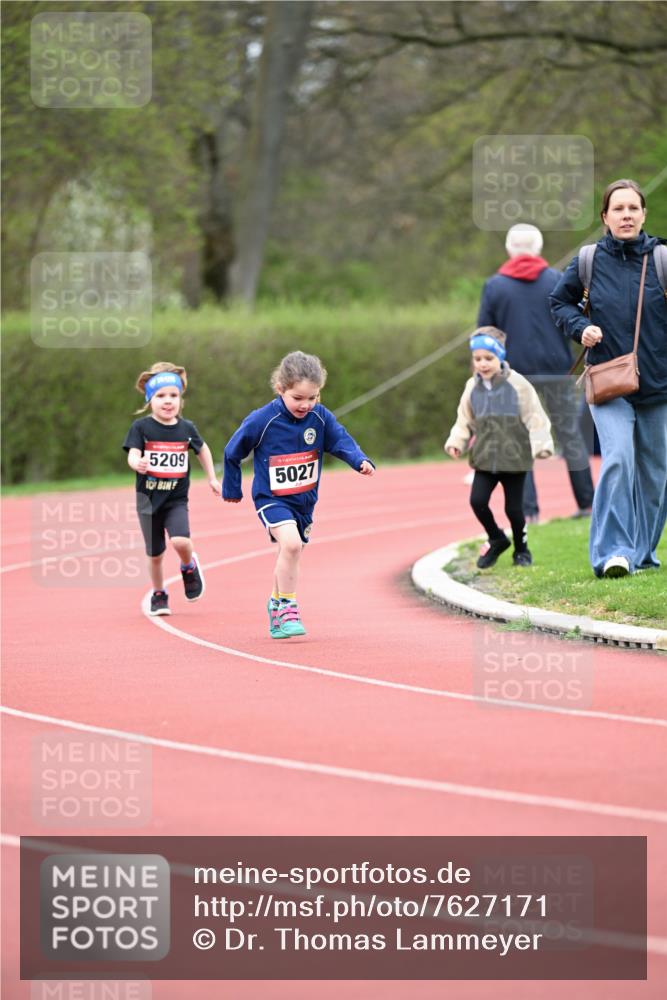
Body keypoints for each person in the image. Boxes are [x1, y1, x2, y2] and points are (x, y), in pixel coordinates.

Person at [550, 178, 667, 578]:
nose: (627, 215)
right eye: (618, 209)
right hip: (608, 384)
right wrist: (579, 328)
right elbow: (559, 302)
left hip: (658, 386)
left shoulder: (663, 258)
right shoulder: (588, 260)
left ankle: (643, 551)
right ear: (605, 217)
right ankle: (612, 553)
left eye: (633, 208)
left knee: (655, 475)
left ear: (644, 214)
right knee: (617, 459)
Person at [223, 350, 374, 638]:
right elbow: (233, 451)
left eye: (312, 397)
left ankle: (275, 606)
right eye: (298, 398)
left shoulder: (320, 416)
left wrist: (360, 461)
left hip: (304, 500)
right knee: (291, 545)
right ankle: (289, 607)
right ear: (280, 390)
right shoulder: (262, 420)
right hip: (271, 498)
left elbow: (341, 440)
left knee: (291, 553)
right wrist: (232, 488)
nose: (305, 405)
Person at [477, 223, 594, 522]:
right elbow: (575, 324)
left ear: (509, 249)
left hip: (513, 375)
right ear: (539, 249)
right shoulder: (557, 280)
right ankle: (588, 505)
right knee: (571, 437)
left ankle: (529, 512)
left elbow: (486, 336)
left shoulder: (495, 286)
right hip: (559, 370)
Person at [445, 327, 554, 568]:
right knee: (477, 501)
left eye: (488, 358)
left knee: (514, 510)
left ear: (500, 357)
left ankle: (522, 550)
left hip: (514, 458)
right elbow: (464, 420)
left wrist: (542, 444)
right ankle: (496, 538)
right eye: (477, 359)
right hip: (484, 457)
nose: (482, 364)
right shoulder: (472, 387)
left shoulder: (518, 384)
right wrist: (457, 442)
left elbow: (535, 416)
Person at [123, 361, 220, 616]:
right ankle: (159, 593)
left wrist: (212, 477)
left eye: (174, 395)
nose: (168, 401)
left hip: (176, 499)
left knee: (180, 540)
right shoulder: (141, 428)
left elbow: (203, 449)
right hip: (148, 502)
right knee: (155, 555)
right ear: (149, 399)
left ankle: (188, 566)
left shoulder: (186, 429)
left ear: (181, 399)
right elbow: (132, 454)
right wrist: (138, 463)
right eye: (161, 396)